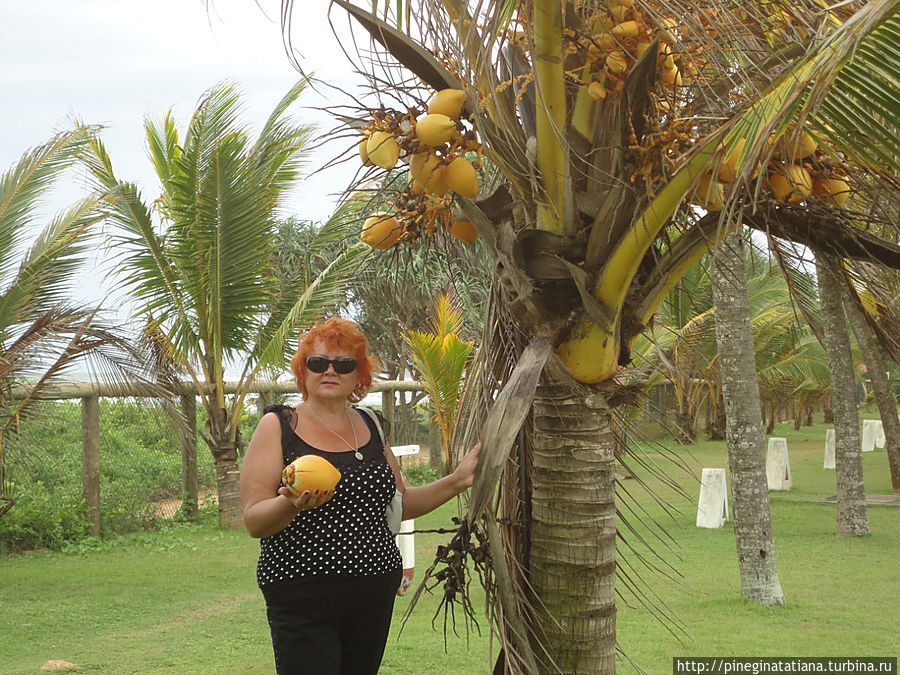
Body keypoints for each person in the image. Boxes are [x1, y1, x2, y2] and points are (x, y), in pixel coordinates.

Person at [240, 317, 481, 675]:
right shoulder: (279, 425)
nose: (330, 371)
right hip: (302, 592)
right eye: (318, 362)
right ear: (303, 371)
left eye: (344, 364)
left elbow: (400, 504)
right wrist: (290, 503)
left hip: (373, 590)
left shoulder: (369, 424)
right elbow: (254, 520)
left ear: (359, 375)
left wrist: (458, 481)